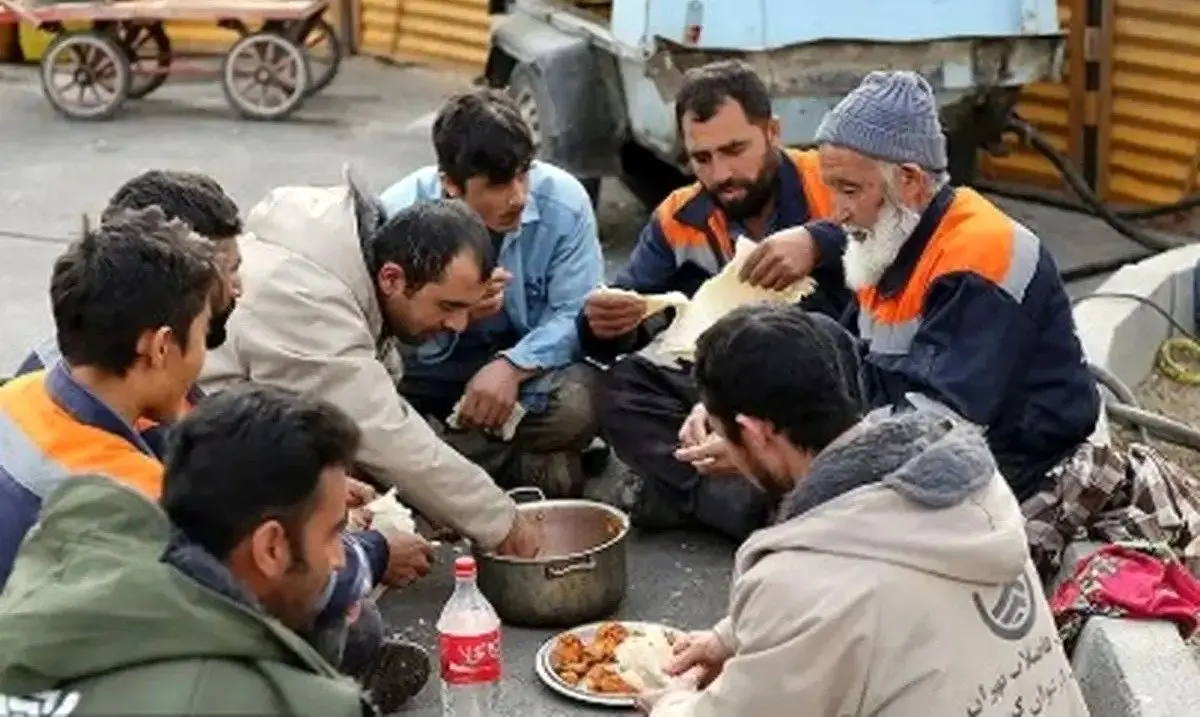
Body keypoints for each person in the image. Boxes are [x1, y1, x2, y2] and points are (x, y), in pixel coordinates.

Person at [0, 210, 426, 706]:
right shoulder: (126, 492)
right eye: (203, 334)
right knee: (338, 614)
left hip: (32, 625)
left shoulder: (25, 391)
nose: (205, 354)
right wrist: (371, 550)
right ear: (160, 346)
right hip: (51, 660)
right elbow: (244, 577)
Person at [638, 303, 1087, 717]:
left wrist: (673, 705)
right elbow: (858, 607)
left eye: (723, 436)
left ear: (754, 433)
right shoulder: (969, 487)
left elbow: (819, 610)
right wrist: (728, 639)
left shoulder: (802, 582)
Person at [770, 70, 1100, 501]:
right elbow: (848, 365)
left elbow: (932, 432)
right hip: (942, 445)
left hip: (1018, 471)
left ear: (909, 180)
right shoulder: (892, 237)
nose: (838, 213)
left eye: (848, 190)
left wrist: (806, 459)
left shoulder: (979, 256)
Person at [580, 59, 861, 540]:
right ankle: (753, 502)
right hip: (720, 388)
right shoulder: (679, 215)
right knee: (621, 389)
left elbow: (902, 231)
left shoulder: (830, 183)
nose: (723, 174)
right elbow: (634, 303)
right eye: (702, 158)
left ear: (772, 131)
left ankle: (696, 494)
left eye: (735, 150)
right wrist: (609, 323)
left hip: (820, 384)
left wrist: (819, 242)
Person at [0, 386, 405, 716]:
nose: (338, 559)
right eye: (334, 535)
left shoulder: (50, 602)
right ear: (270, 547)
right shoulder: (284, 706)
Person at [201, 177, 542, 557]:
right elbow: (384, 432)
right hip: (209, 467)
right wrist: (502, 523)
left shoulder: (347, 258)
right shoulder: (304, 297)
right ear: (392, 278)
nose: (460, 325)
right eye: (448, 307)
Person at [379, 88, 605, 497]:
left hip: (524, 382)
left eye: (523, 174)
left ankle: (429, 471)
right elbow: (381, 340)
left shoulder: (565, 203)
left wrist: (511, 366)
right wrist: (454, 318)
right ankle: (518, 466)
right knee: (368, 407)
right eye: (499, 185)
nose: (518, 196)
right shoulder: (397, 215)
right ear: (450, 185)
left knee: (579, 403)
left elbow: (576, 313)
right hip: (427, 377)